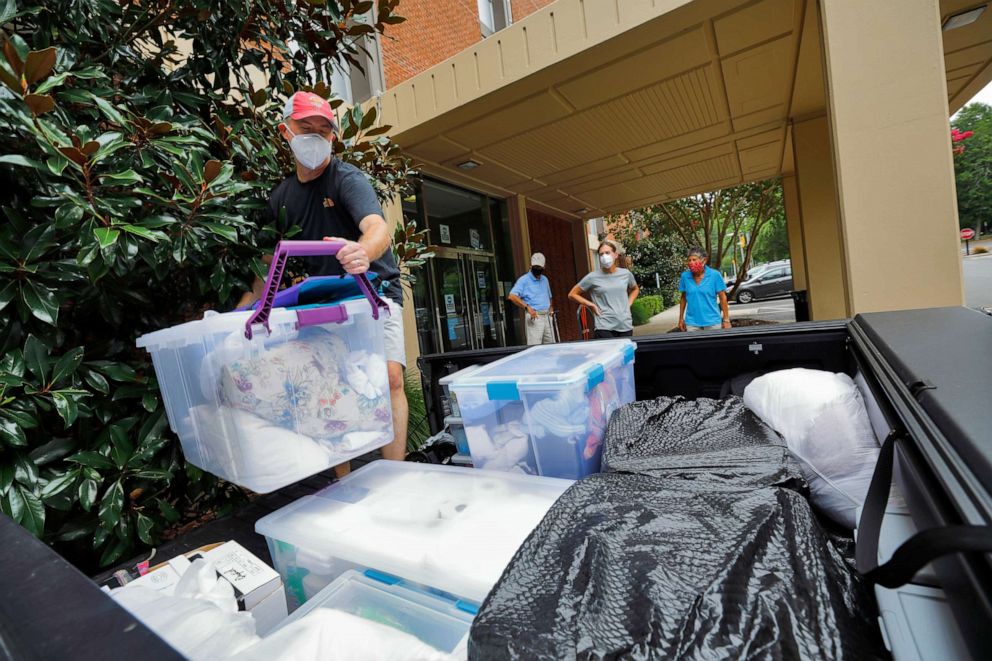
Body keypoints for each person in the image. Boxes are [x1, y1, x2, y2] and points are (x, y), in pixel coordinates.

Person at [238, 91, 408, 475]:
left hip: (373, 291)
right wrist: (244, 309)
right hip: (323, 300)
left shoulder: (347, 178)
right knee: (326, 383)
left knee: (391, 376)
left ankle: (399, 474)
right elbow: (267, 266)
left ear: (333, 136)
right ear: (286, 131)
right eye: (305, 127)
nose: (314, 135)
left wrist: (363, 252)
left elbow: (377, 228)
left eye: (323, 130)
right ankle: (342, 481)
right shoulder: (280, 197)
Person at [568, 240, 639, 338]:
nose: (604, 257)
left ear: (615, 255)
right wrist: (591, 304)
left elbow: (635, 289)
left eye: (607, 253)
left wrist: (629, 303)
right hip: (604, 326)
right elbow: (572, 294)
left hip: (625, 325)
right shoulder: (592, 277)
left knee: (625, 353)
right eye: (601, 254)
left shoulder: (625, 274)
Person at [677, 246, 731, 332]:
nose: (691, 263)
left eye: (694, 260)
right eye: (689, 260)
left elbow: (722, 297)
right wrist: (680, 319)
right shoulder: (685, 276)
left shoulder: (715, 275)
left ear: (704, 261)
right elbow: (683, 298)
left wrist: (726, 319)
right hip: (692, 323)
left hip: (712, 322)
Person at [507, 252, 555, 345]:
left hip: (547, 317)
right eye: (535, 267)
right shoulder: (524, 280)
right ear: (530, 266)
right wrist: (527, 307)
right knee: (535, 348)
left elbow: (549, 296)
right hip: (534, 316)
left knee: (551, 346)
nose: (537, 269)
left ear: (544, 267)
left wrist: (551, 307)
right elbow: (512, 296)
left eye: (539, 268)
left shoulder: (545, 279)